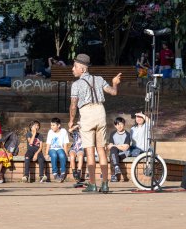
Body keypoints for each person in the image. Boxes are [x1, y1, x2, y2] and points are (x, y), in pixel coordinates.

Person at [68, 53, 122, 193]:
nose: (72, 69)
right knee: (102, 150)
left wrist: (71, 121)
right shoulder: (99, 79)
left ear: (83, 69)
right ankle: (105, 183)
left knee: (90, 151)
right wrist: (114, 83)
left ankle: (92, 184)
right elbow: (113, 92)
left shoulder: (76, 84)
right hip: (100, 112)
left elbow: (73, 105)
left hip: (87, 114)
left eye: (75, 67)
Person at [45, 117, 69, 182]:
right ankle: (55, 173)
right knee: (54, 155)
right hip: (52, 149)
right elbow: (48, 143)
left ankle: (63, 172)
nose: (51, 127)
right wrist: (46, 153)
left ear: (58, 125)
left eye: (53, 125)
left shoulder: (64, 131)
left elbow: (65, 143)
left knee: (62, 155)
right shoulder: (50, 132)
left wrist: (66, 153)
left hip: (60, 148)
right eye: (51, 125)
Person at [108, 117, 130, 182]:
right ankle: (117, 167)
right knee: (113, 153)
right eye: (117, 124)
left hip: (124, 153)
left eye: (121, 124)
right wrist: (119, 146)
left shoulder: (127, 134)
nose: (119, 126)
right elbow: (110, 146)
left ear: (124, 124)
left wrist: (115, 146)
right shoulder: (113, 134)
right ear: (115, 126)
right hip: (115, 153)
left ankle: (113, 176)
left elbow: (125, 147)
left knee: (113, 155)